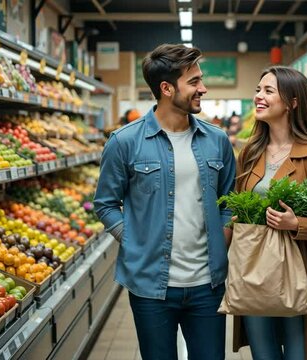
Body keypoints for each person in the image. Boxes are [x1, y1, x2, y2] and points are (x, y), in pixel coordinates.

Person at [93, 43, 236, 360]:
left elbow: (231, 200)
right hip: (150, 287)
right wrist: (133, 240)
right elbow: (104, 203)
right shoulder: (125, 142)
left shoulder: (217, 141)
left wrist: (223, 237)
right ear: (167, 88)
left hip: (207, 285)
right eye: (194, 81)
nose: (204, 88)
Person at [232, 66, 307, 360]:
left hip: (297, 271)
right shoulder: (249, 152)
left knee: (299, 351)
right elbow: (237, 206)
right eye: (258, 90)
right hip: (255, 270)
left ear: (293, 102)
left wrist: (297, 223)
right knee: (263, 353)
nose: (259, 96)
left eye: (268, 91)